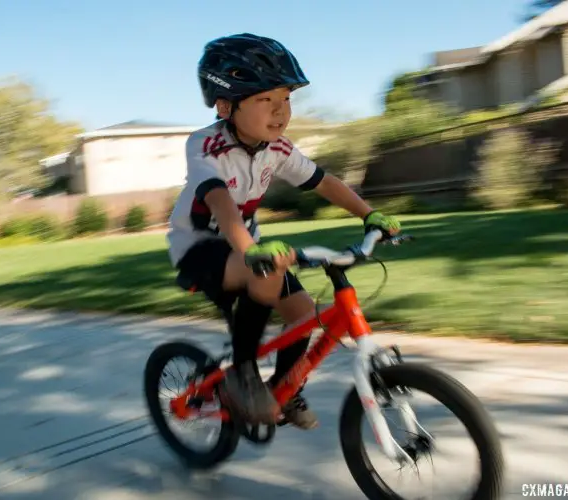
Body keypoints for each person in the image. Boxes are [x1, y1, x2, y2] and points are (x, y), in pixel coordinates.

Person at [166, 33, 401, 430]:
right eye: (266, 100)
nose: (280, 112)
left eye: (286, 99)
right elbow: (221, 203)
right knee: (265, 270)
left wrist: (369, 215)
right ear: (226, 106)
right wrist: (248, 250)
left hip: (248, 247)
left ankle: (284, 388)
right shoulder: (204, 144)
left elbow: (324, 182)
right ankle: (243, 376)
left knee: (303, 311)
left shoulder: (278, 149)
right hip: (201, 246)